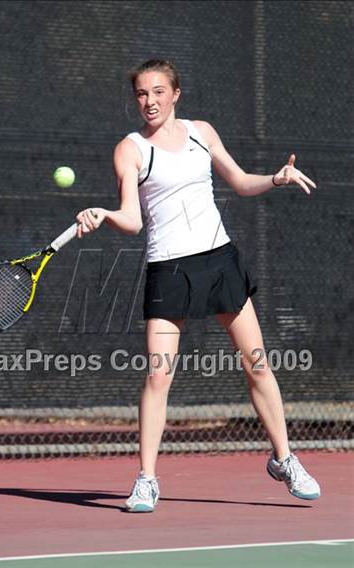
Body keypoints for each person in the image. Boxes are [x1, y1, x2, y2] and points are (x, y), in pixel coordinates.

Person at [75, 59, 321, 513]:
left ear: (175, 94)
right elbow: (132, 218)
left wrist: (276, 177)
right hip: (168, 269)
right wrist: (106, 215)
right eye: (141, 94)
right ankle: (147, 479)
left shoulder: (200, 133)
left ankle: (284, 459)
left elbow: (241, 181)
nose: (149, 101)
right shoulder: (129, 150)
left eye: (157, 92)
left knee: (259, 364)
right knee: (158, 375)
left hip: (219, 261)